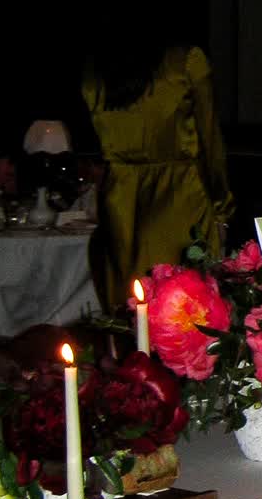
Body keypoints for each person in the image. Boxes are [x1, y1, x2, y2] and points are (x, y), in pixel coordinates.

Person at [80, 22, 233, 308]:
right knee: (183, 310)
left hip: (120, 201)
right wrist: (222, 207)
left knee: (129, 304)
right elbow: (211, 142)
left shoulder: (96, 71)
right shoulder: (186, 63)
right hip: (181, 198)